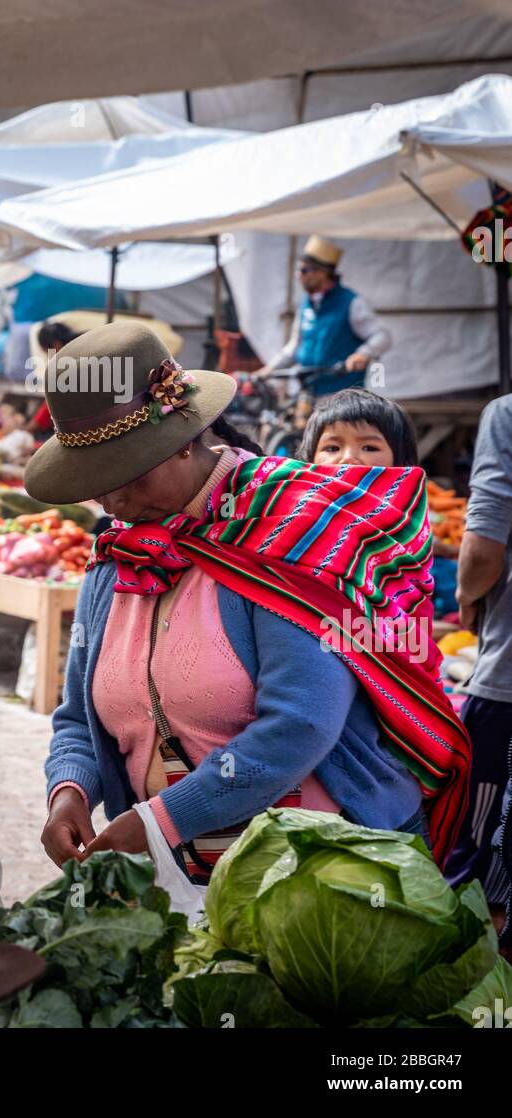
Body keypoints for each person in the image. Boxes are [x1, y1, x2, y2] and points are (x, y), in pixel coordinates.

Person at [29, 324, 468, 883]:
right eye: (95, 481)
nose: (113, 499)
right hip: (181, 876)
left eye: (126, 474)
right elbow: (76, 718)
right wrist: (69, 791)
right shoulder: (117, 553)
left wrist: (160, 820)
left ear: (183, 438)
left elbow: (300, 722)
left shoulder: (285, 534)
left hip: (326, 874)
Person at [445, 393, 512, 914]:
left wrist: (468, 599)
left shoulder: (506, 415)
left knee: (482, 865)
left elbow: (483, 548)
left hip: (505, 685)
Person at [254, 235, 391, 396]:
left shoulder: (352, 302)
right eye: (299, 270)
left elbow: (382, 335)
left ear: (323, 273)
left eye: (305, 270)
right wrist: (269, 369)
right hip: (308, 391)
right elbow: (294, 347)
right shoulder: (305, 305)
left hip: (342, 395)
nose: (299, 275)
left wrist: (363, 354)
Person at [299, 387, 419, 467]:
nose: (348, 459)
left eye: (369, 448)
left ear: (401, 461)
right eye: (332, 448)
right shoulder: (294, 502)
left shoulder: (412, 503)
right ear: (310, 459)